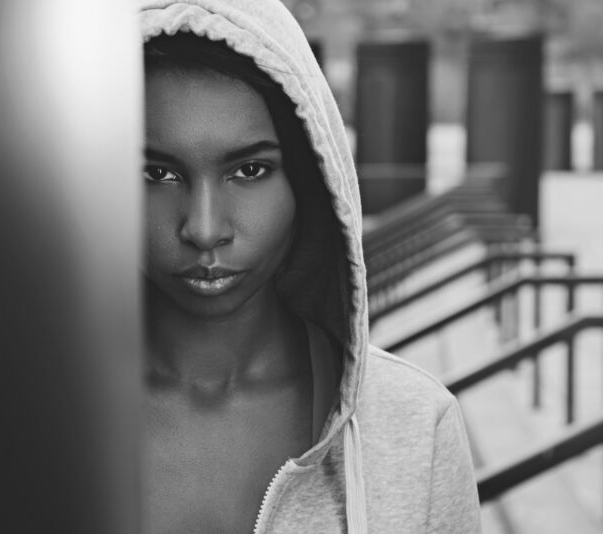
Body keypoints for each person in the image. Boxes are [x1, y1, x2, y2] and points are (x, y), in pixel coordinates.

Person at [139, 1, 481, 533]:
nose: (204, 229)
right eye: (157, 173)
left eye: (249, 170)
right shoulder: (4, 415)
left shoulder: (415, 425)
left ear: (312, 180)